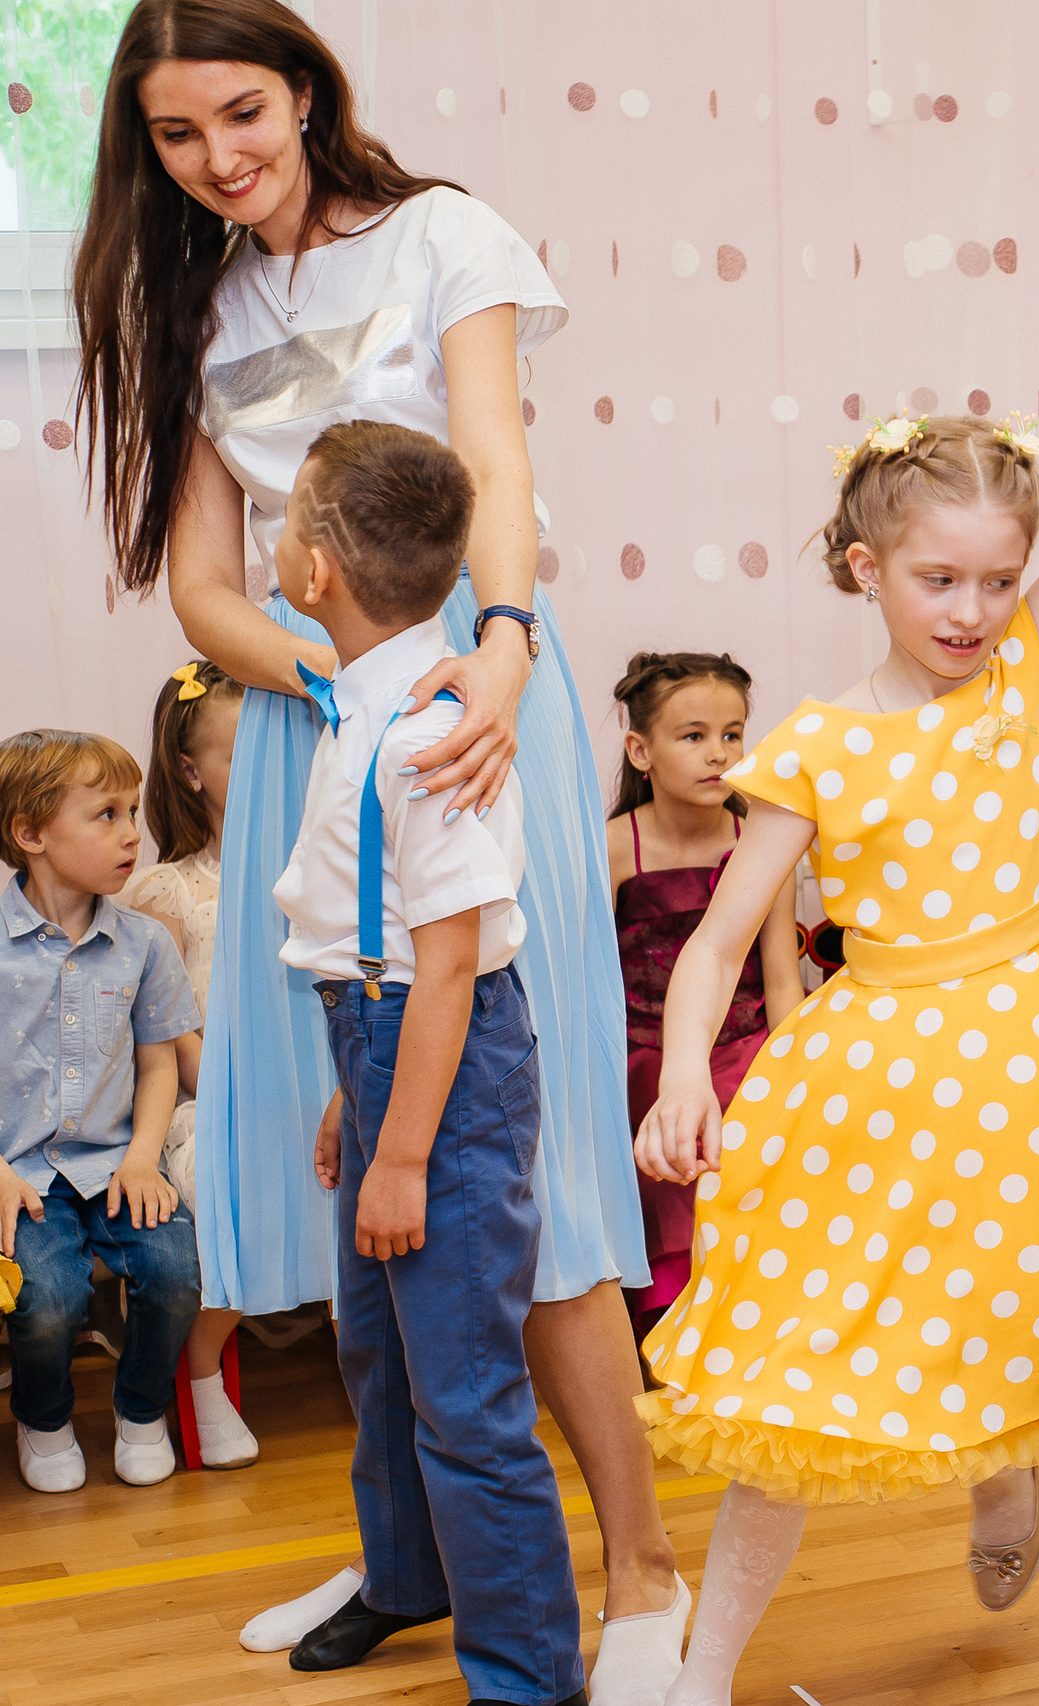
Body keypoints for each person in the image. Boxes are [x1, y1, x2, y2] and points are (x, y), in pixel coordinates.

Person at [70, 2, 683, 1678]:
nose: (220, 159)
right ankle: (408, 1562)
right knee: (362, 1180)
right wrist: (336, 674)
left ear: (310, 91)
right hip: (310, 708)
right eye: (180, 136)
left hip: (477, 701)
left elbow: (493, 459)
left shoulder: (444, 236)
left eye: (244, 113)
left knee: (517, 1156)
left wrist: (483, 650)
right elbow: (206, 581)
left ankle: (641, 1576)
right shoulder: (187, 300)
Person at [627, 145, 1039, 1706]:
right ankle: (703, 1672)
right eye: (940, 579)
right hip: (895, 1062)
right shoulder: (818, 742)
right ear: (868, 569)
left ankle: (1009, 1470)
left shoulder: (1027, 674)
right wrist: (677, 1076)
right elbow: (723, 933)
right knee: (804, 1364)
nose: (976, 608)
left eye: (998, 578)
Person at [265, 420, 585, 1706]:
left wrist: (405, 1149)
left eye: (289, 518)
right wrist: (361, 1085)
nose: (275, 540)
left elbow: (450, 964)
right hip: (385, 1042)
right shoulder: (361, 700)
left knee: (466, 1391)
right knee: (379, 1353)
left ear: (322, 566)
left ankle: (527, 1677)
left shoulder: (424, 731)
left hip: (446, 1074)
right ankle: (407, 1575)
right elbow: (378, 936)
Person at [0, 730, 203, 1494]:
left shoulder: (145, 943)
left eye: (132, 811)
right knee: (47, 1298)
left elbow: (158, 1060)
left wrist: (145, 1155)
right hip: (20, 1173)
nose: (132, 833)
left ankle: (141, 1409)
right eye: (106, 815)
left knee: (177, 1270)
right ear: (32, 835)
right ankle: (44, 1418)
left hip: (117, 1159)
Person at [606, 652, 802, 1342]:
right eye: (693, 736)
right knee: (661, 1117)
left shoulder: (762, 841)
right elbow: (595, 983)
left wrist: (798, 1075)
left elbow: (781, 976)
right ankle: (674, 1321)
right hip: (644, 1054)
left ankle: (752, 1320)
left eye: (732, 734)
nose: (718, 754)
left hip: (745, 1047)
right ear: (641, 750)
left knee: (761, 1131)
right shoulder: (614, 849)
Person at [126, 658, 260, 1467]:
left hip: (323, 1095)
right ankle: (203, 1365)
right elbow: (167, 1033)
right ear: (190, 770)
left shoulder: (318, 876)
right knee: (232, 1173)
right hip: (208, 1095)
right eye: (242, 759)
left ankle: (385, 1376)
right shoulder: (166, 893)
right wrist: (238, 1097)